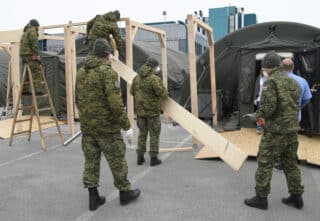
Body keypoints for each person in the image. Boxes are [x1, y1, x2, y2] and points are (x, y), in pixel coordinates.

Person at [75, 38, 140, 211]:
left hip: (88, 127)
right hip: (107, 128)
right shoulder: (107, 72)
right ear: (107, 54)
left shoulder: (81, 72)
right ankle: (125, 193)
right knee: (117, 160)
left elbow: (77, 100)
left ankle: (93, 198)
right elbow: (115, 104)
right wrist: (127, 126)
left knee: (91, 162)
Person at [244, 51, 304, 210]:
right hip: (292, 131)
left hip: (275, 132)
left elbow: (269, 108)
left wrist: (256, 116)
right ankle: (296, 197)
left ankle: (261, 198)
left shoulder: (271, 83)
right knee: (290, 164)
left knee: (265, 163)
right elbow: (298, 103)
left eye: (264, 68)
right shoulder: (294, 83)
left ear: (267, 67)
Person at [130, 57, 168, 166]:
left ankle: (140, 157)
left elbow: (132, 92)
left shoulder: (136, 78)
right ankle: (153, 158)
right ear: (154, 67)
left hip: (140, 113)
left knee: (142, 134)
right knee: (154, 135)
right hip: (152, 113)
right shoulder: (154, 79)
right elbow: (164, 95)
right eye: (157, 67)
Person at [282, 58, 312, 122]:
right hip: (294, 118)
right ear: (293, 67)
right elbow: (307, 99)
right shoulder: (302, 81)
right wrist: (298, 107)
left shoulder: (273, 81)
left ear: (281, 67)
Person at [20, 19, 45, 95]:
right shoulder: (32, 31)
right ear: (36, 26)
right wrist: (37, 55)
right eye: (38, 27)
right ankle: (38, 90)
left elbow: (22, 43)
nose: (38, 28)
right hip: (29, 54)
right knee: (37, 71)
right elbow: (34, 44)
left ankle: (24, 90)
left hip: (24, 54)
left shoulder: (25, 32)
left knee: (27, 73)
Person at [253, 69, 268, 134]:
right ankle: (259, 128)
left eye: (265, 70)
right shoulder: (259, 78)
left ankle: (266, 129)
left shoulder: (270, 78)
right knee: (260, 115)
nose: (264, 71)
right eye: (262, 70)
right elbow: (256, 88)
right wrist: (255, 98)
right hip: (260, 99)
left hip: (268, 99)